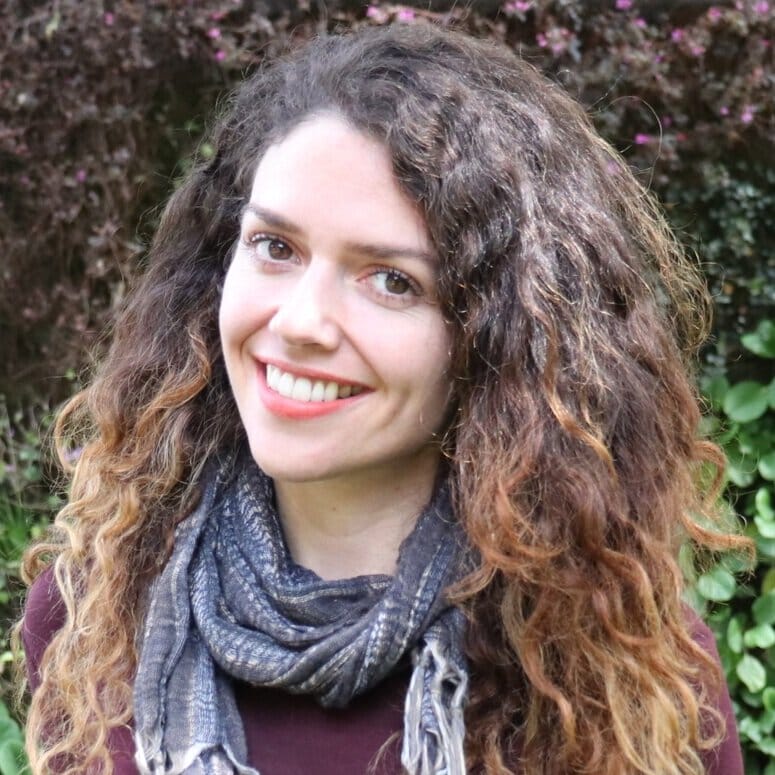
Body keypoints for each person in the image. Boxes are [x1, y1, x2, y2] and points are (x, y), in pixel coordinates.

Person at [20, 21, 745, 775]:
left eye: (392, 281)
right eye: (275, 247)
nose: (299, 322)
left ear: (498, 341)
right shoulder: (89, 618)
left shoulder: (620, 678)